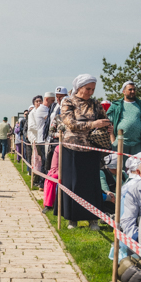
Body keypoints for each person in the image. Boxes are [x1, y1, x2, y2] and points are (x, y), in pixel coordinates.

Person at [59, 74, 111, 231]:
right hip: (72, 149)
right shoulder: (68, 102)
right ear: (79, 88)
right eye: (88, 89)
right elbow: (70, 123)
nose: (90, 92)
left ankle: (93, 218)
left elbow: (104, 119)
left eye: (93, 89)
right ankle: (72, 218)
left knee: (91, 185)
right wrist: (93, 124)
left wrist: (107, 126)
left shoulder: (95, 104)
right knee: (73, 184)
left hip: (92, 149)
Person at [106, 81, 141, 155]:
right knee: (120, 162)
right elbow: (108, 123)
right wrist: (112, 139)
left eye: (134, 89)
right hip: (120, 143)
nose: (133, 91)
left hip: (137, 144)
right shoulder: (116, 106)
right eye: (130, 89)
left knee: (136, 162)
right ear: (124, 92)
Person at [27, 93, 55, 186]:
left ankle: (40, 180)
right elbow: (31, 126)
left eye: (40, 101)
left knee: (41, 161)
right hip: (37, 139)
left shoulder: (45, 109)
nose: (39, 102)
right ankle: (39, 181)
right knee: (39, 161)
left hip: (42, 138)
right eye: (37, 101)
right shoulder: (34, 112)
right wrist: (40, 130)